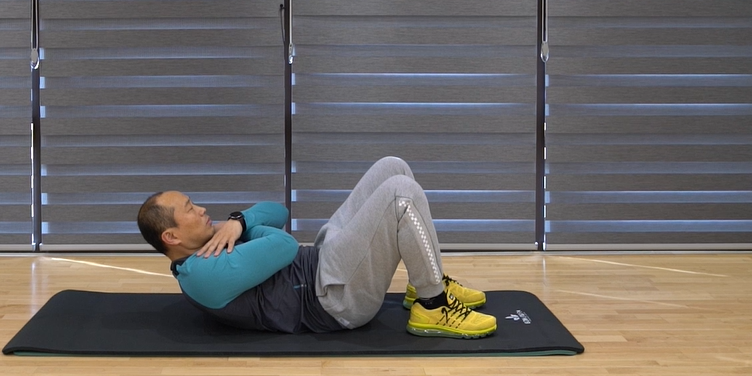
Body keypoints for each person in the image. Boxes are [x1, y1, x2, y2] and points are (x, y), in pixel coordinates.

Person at [136, 156, 497, 338]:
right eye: (190, 209)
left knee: (392, 168)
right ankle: (433, 305)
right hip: (331, 298)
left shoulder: (214, 239)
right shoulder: (203, 274)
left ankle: (423, 280)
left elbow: (279, 212)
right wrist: (245, 227)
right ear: (172, 237)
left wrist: (240, 221)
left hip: (323, 262)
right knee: (400, 195)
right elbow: (284, 245)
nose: (201, 210)